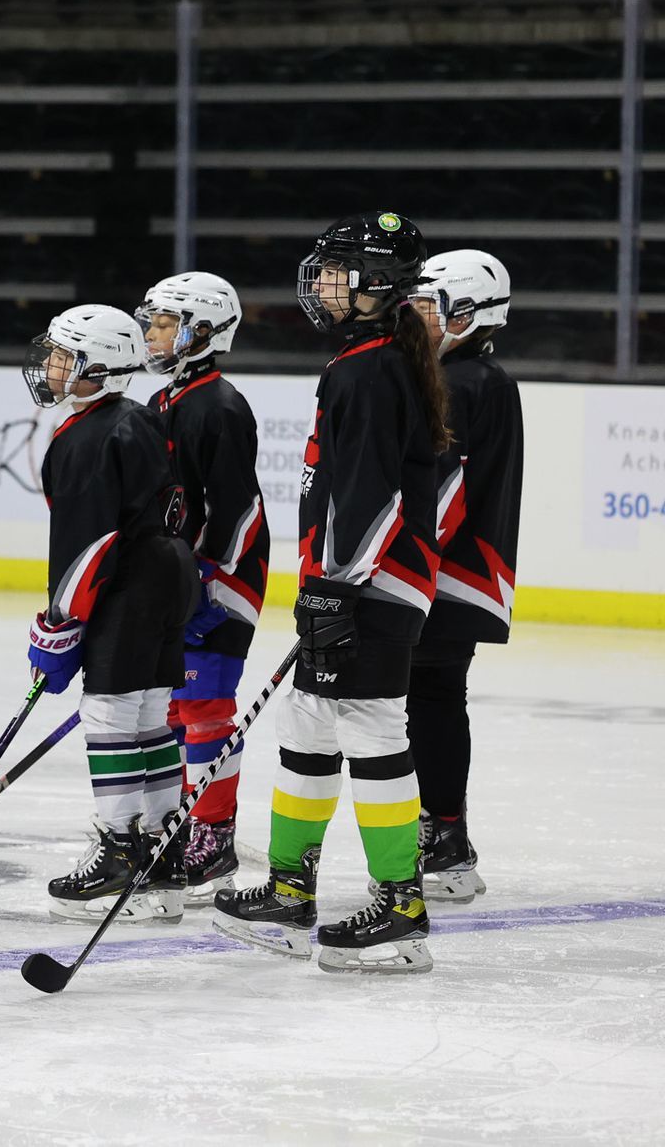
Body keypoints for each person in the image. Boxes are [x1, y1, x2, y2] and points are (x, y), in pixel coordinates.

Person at [213, 211, 448, 974]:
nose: (321, 285)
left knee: (372, 726)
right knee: (310, 721)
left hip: (377, 586)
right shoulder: (370, 359)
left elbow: (372, 496)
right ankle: (289, 889)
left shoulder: (371, 368)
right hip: (361, 584)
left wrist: (337, 589)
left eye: (339, 272)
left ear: (381, 285)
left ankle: (401, 907)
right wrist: (328, 585)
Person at [22, 304, 197, 925]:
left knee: (109, 712)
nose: (49, 365)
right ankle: (161, 856)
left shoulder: (88, 435)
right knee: (148, 714)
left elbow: (86, 541)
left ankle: (120, 848)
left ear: (98, 365)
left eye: (64, 356)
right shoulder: (135, 418)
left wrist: (60, 622)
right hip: (167, 572)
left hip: (128, 580)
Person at [136, 272, 271, 902]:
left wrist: (208, 583)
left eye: (165, 323)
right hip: (181, 580)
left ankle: (212, 834)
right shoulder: (165, 400)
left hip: (224, 578)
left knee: (204, 704)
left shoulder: (218, 405)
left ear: (203, 331)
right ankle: (177, 820)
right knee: (168, 707)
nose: (153, 333)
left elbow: (237, 511)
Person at [404, 249, 523, 902]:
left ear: (467, 313)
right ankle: (444, 837)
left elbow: (444, 492)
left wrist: (384, 560)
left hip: (443, 575)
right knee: (435, 699)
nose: (417, 319)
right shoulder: (476, 376)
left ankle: (443, 841)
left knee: (427, 700)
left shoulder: (468, 382)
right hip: (459, 573)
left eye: (428, 307)